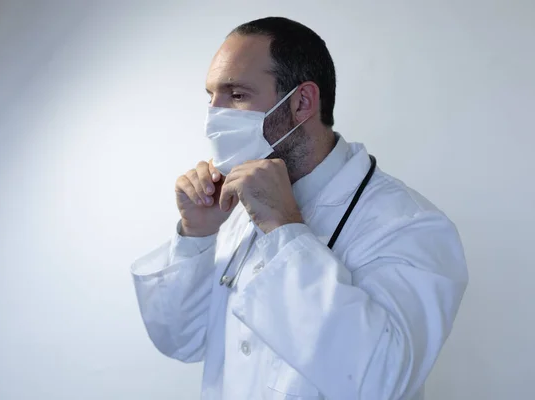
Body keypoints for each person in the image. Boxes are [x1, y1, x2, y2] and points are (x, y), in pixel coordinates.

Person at [131, 16, 468, 400]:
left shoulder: (410, 225)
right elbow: (181, 341)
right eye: (210, 97)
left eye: (236, 95)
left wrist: (284, 228)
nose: (213, 117)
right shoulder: (233, 209)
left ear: (302, 102)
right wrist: (197, 235)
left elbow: (382, 382)